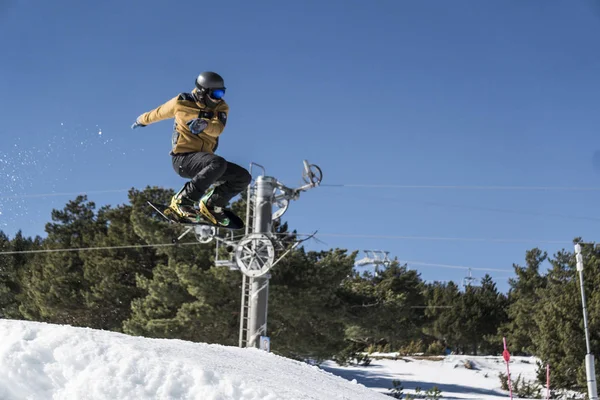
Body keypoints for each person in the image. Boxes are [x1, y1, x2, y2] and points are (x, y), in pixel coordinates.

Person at [131, 71, 251, 227]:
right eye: (215, 93)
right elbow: (158, 112)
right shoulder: (182, 102)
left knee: (242, 177)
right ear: (202, 92)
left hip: (205, 163)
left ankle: (212, 205)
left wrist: (205, 124)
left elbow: (217, 129)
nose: (218, 98)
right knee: (218, 163)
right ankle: (182, 201)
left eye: (222, 93)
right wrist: (141, 120)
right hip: (183, 159)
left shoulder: (221, 107)